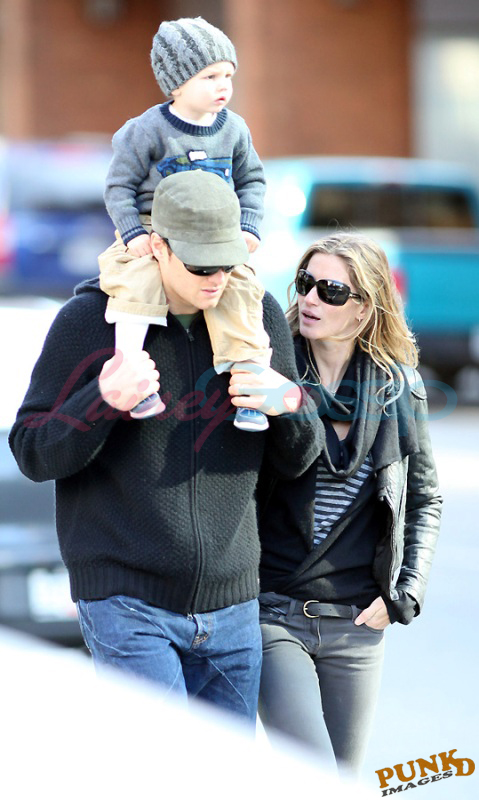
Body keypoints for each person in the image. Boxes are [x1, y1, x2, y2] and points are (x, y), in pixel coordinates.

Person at [9, 170, 322, 725]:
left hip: (233, 608)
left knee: (223, 770)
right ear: (158, 246)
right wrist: (102, 399)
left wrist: (291, 404)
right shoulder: (90, 322)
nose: (217, 279)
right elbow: (32, 451)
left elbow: (297, 462)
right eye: (201, 265)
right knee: (163, 767)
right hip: (127, 605)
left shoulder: (257, 317)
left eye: (227, 263)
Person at [256, 232, 442, 774]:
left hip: (357, 624)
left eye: (332, 290)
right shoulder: (274, 376)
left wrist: (406, 592)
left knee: (343, 782)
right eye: (306, 283)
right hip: (275, 616)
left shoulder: (397, 389)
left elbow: (424, 497)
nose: (311, 298)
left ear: (364, 308)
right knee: (312, 773)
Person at [99, 16, 270, 431]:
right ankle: (131, 371)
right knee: (135, 279)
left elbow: (252, 180)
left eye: (228, 75)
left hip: (218, 233)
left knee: (240, 288)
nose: (223, 86)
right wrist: (133, 232)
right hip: (154, 227)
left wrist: (248, 225)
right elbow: (119, 186)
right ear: (176, 84)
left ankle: (249, 384)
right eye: (210, 76)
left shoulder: (235, 129)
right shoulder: (146, 130)